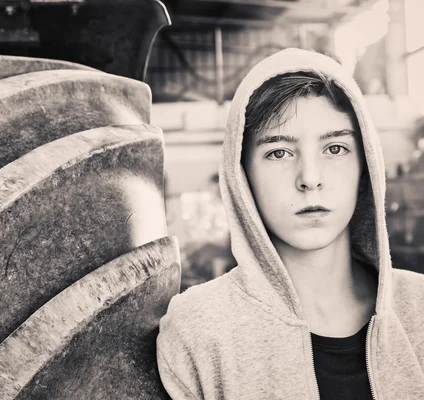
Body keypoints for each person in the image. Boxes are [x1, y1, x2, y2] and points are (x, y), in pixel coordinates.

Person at [156, 48, 424, 400]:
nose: (310, 179)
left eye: (335, 149)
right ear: (242, 176)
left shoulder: (419, 308)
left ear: (366, 167)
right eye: (278, 152)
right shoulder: (198, 330)